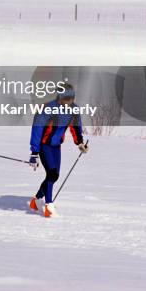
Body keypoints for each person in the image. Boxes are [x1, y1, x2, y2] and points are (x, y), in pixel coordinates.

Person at [28, 83, 88, 217]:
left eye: (71, 99)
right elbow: (37, 130)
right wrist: (34, 152)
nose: (68, 102)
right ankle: (49, 206)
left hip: (56, 146)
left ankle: (36, 201)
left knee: (54, 176)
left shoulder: (74, 110)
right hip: (44, 145)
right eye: (65, 99)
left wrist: (80, 142)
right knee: (52, 174)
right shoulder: (48, 108)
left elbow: (75, 126)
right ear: (59, 97)